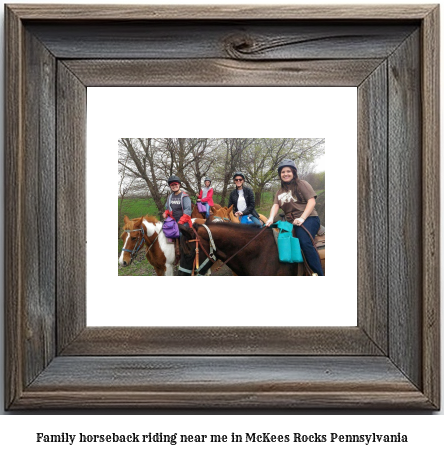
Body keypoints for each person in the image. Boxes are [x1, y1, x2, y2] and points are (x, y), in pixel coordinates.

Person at [265, 159, 324, 276]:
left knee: (304, 241)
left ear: (293, 173)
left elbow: (311, 202)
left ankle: (319, 274)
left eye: (288, 171)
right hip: (291, 222)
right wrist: (270, 218)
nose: (285, 174)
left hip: (309, 218)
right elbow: (276, 205)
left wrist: (302, 218)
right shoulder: (279, 192)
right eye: (283, 172)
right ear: (280, 175)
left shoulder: (302, 184)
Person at [163, 175, 192, 261]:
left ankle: (186, 254)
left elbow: (187, 211)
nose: (174, 186)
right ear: (170, 186)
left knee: (181, 234)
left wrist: (180, 222)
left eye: (175, 184)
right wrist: (165, 213)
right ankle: (170, 253)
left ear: (179, 185)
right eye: (172, 185)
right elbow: (168, 208)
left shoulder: (184, 196)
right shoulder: (170, 197)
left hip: (183, 221)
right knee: (164, 232)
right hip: (173, 221)